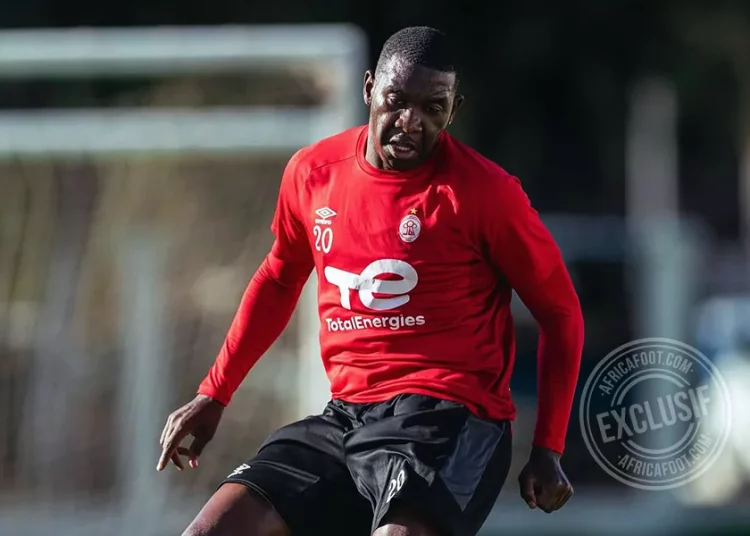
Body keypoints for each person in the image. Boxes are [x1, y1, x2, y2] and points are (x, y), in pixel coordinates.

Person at [158, 26, 584, 536]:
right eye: (396, 100)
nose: (410, 121)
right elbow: (279, 278)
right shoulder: (313, 173)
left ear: (454, 110)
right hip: (345, 418)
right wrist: (215, 392)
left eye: (432, 108)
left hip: (451, 419)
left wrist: (548, 447)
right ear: (368, 89)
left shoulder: (485, 194)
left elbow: (561, 313)